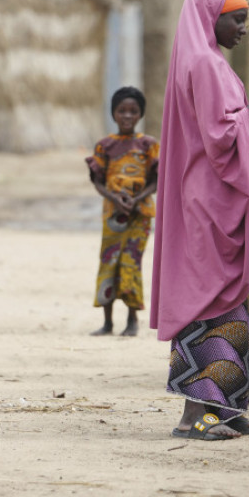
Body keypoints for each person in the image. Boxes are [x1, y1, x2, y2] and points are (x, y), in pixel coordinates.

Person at [151, 0, 249, 441]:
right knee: (210, 302)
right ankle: (195, 417)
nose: (244, 29)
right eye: (237, 19)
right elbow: (220, 137)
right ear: (212, 18)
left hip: (212, 200)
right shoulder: (206, 65)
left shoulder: (205, 63)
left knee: (226, 301)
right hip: (209, 203)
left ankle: (224, 409)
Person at [86, 86, 159, 337]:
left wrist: (137, 198)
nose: (127, 116)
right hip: (112, 216)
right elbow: (97, 180)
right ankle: (107, 323)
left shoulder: (149, 145)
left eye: (133, 111)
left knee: (131, 262)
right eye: (122, 111)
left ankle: (132, 321)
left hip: (140, 215)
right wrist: (115, 199)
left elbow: (157, 180)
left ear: (140, 115)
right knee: (109, 262)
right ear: (113, 114)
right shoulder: (104, 146)